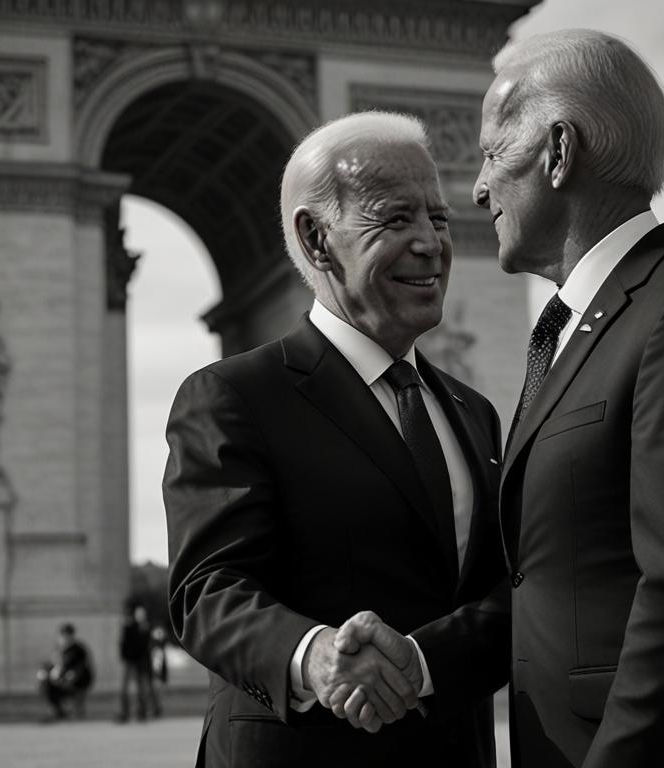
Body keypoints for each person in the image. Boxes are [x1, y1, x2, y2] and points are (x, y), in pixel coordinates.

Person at [436, 27, 664, 768]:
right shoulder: (581, 329)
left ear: (558, 152)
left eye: (489, 153)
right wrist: (418, 662)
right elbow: (552, 580)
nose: (476, 188)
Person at [164, 111, 509, 767]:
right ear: (317, 239)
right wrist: (314, 654)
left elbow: (504, 590)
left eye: (437, 218)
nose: (432, 243)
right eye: (396, 218)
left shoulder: (475, 413)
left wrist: (423, 662)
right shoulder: (233, 398)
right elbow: (207, 590)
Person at [39, 623, 94, 722]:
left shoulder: (79, 650)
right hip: (61, 682)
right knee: (45, 684)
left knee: (67, 685)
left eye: (67, 634)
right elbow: (53, 666)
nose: (65, 637)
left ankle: (76, 707)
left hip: (77, 683)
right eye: (63, 634)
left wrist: (69, 678)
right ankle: (59, 711)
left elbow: (81, 669)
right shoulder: (59, 650)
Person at [117, 601, 161, 722]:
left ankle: (142, 712)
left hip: (141, 661)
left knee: (142, 687)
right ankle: (125, 713)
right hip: (130, 660)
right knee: (126, 688)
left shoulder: (145, 627)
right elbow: (124, 644)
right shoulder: (129, 626)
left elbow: (144, 645)